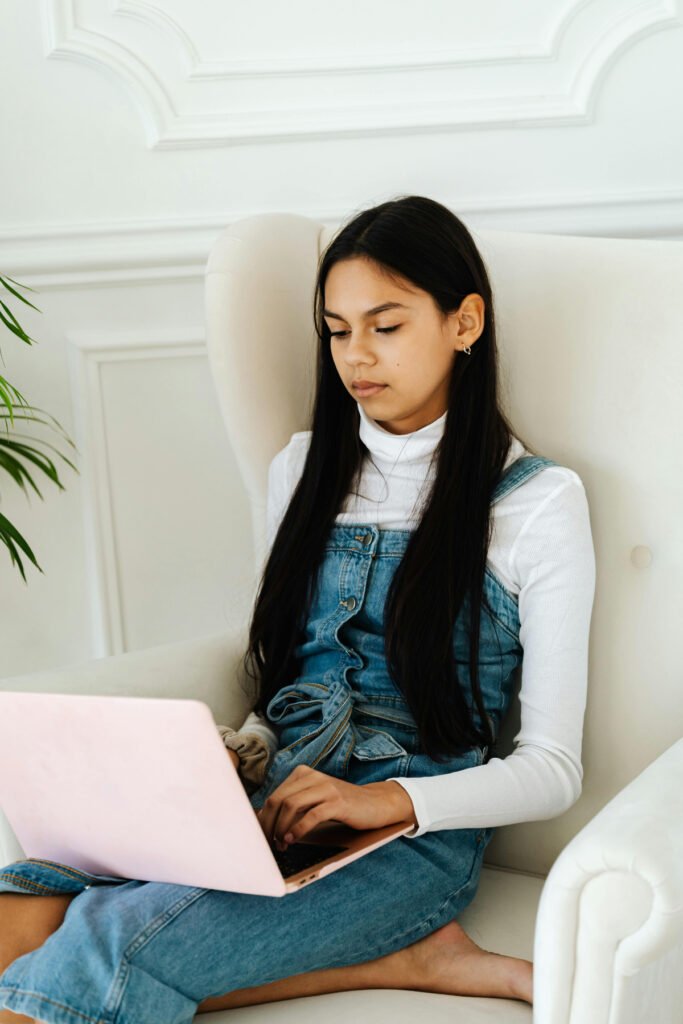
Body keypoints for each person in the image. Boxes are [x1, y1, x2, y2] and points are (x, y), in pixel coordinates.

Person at [0, 195, 596, 1023]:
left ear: (463, 323)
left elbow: (553, 770)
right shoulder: (302, 468)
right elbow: (282, 662)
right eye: (337, 330)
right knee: (14, 920)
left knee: (102, 946)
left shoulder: (535, 503)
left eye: (386, 326)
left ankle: (407, 942)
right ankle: (404, 960)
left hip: (407, 839)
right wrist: (228, 756)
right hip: (272, 793)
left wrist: (387, 801)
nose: (357, 356)